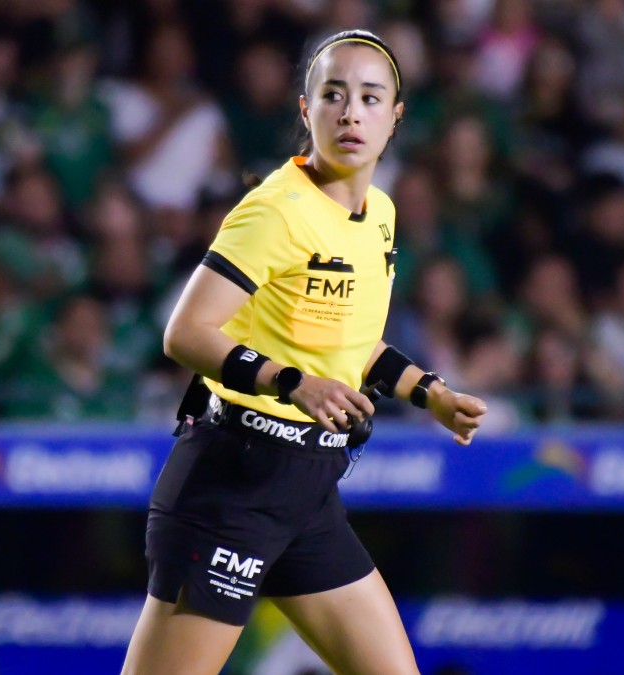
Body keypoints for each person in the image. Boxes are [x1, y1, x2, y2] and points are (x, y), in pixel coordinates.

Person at [121, 29, 488, 675]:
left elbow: (348, 340)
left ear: (395, 116)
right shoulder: (273, 212)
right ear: (305, 109)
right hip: (230, 487)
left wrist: (428, 391)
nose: (351, 112)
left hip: (308, 495)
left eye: (371, 98)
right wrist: (293, 383)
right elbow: (185, 332)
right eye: (334, 95)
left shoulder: (380, 213)